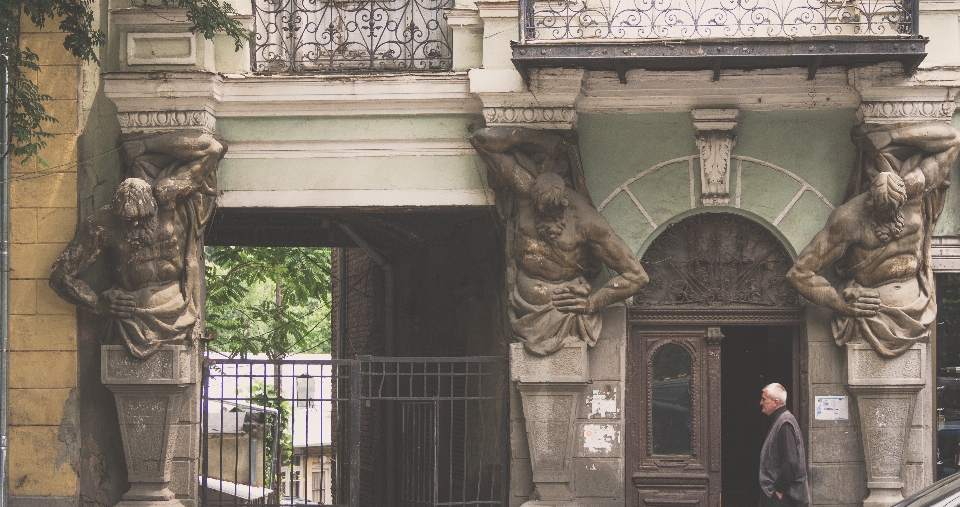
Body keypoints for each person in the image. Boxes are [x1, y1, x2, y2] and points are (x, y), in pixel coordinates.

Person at [786, 122, 960, 358]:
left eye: (893, 210)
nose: (888, 217)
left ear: (904, 196)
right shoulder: (849, 218)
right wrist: (841, 304)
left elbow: (952, 139)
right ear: (868, 201)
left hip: (917, 301)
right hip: (871, 311)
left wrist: (892, 135)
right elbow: (799, 273)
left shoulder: (916, 190)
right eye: (880, 212)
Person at [470, 127, 648, 355]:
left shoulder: (586, 220)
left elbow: (637, 275)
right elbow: (480, 140)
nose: (545, 218)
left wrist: (593, 303)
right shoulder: (523, 191)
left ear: (565, 201)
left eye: (553, 212)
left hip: (566, 313)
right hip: (523, 306)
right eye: (540, 212)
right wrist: (535, 138)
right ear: (531, 197)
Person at [50, 130, 225, 359]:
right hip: (129, 321)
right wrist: (97, 302)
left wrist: (145, 145)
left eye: (141, 219)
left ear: (153, 204)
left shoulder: (169, 197)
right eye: (128, 222)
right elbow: (60, 276)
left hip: (179, 313)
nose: (134, 224)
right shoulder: (103, 224)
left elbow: (212, 148)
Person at [759, 383, 809, 507]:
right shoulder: (781, 421)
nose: (761, 403)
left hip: (783, 498)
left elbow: (790, 461)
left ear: (775, 402)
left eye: (764, 399)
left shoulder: (785, 423)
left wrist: (780, 490)